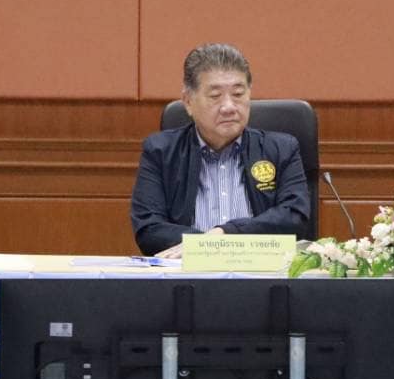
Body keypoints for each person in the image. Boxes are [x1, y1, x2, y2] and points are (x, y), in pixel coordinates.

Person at [131, 43, 310, 257]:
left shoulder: (282, 149)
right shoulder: (160, 151)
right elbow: (149, 228)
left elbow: (294, 218)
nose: (229, 107)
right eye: (215, 96)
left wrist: (226, 234)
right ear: (188, 102)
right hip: (188, 273)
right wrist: (208, 246)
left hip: (262, 273)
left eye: (238, 94)